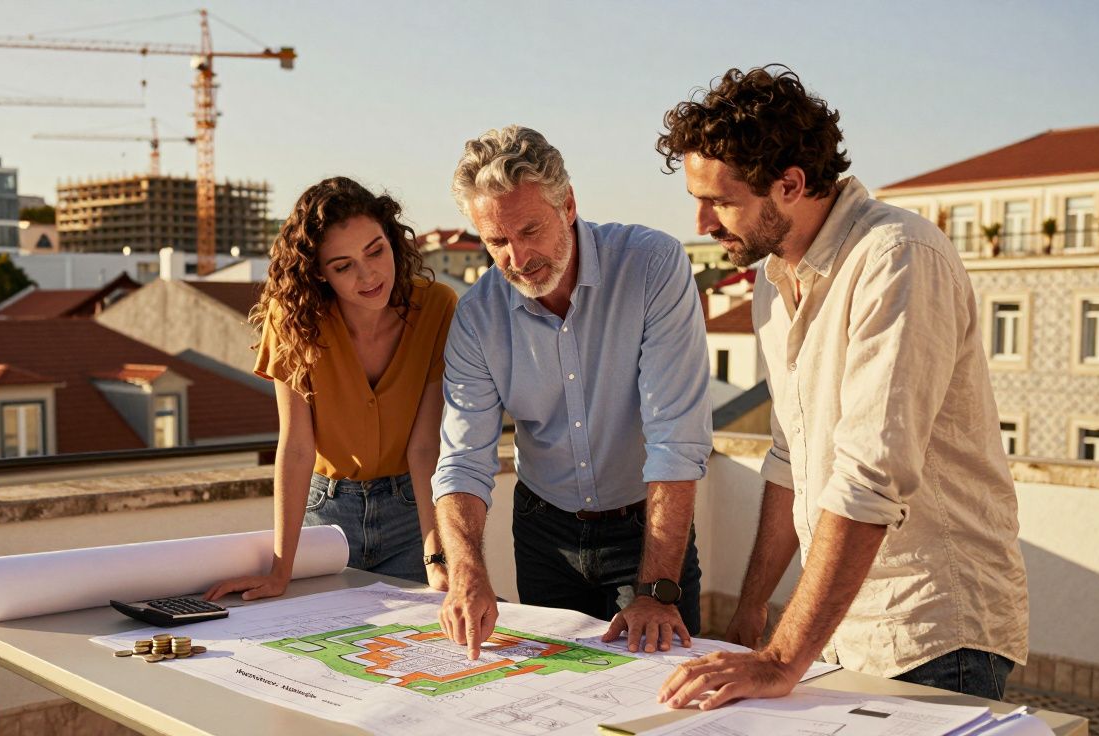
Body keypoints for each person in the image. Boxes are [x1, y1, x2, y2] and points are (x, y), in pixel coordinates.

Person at [652, 66, 1029, 709]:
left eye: (719, 200)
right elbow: (790, 460)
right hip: (838, 632)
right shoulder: (775, 279)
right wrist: (751, 619)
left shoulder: (899, 256)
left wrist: (778, 660)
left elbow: (869, 476)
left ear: (790, 184)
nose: (703, 222)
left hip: (933, 634)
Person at [432, 125, 713, 660]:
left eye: (529, 229)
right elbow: (463, 461)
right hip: (544, 536)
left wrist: (655, 592)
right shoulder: (476, 317)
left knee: (664, 696)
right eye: (496, 242)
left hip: (645, 531)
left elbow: (675, 440)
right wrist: (467, 573)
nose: (517, 257)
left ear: (568, 205)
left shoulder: (653, 265)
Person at [204, 176, 456, 601]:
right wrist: (280, 570)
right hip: (327, 523)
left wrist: (437, 557)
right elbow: (297, 447)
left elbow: (424, 446)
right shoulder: (292, 319)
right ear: (320, 273)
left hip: (412, 514)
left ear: (392, 239)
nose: (369, 274)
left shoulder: (437, 306)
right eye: (343, 266)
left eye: (376, 250)